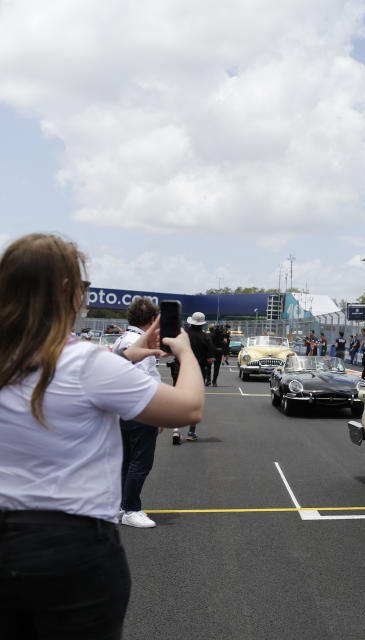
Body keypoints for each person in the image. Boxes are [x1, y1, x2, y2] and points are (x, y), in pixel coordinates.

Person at [0, 233, 204, 639]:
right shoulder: (83, 363)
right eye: (82, 286)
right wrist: (185, 353)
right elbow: (189, 408)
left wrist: (128, 355)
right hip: (73, 550)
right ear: (66, 291)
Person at [113, 298, 164, 529]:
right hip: (139, 409)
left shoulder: (123, 338)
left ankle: (123, 505)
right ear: (153, 320)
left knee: (127, 460)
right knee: (141, 461)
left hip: (122, 408)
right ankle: (131, 509)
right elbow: (144, 382)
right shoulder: (138, 342)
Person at [171, 312, 214, 444]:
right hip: (197, 372)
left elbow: (173, 350)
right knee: (195, 403)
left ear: (191, 322)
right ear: (202, 324)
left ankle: (176, 429)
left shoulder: (182, 335)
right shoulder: (206, 338)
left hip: (180, 369)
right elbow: (211, 359)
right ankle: (191, 432)